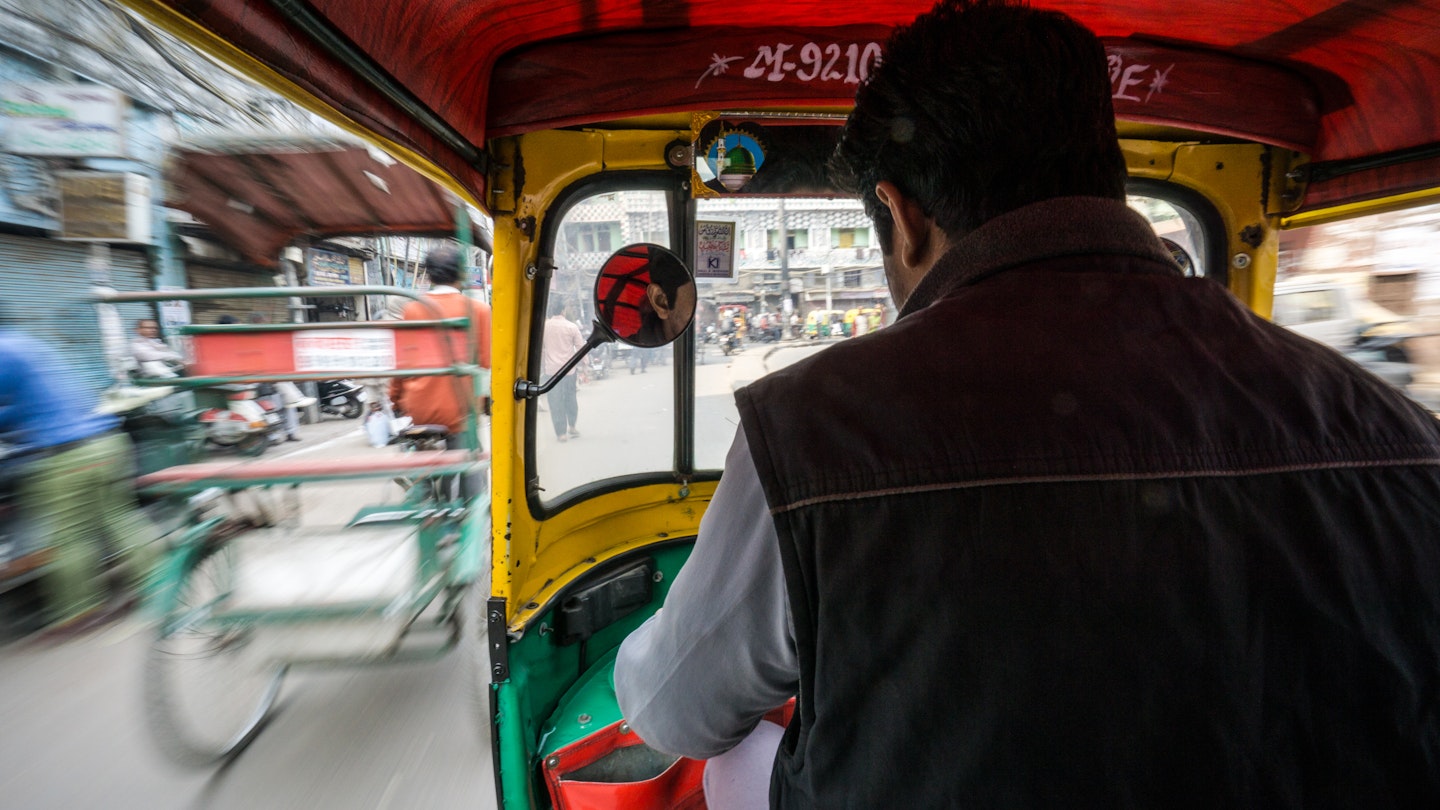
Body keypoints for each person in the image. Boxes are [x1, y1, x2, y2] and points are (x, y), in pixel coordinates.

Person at [614, 1, 1440, 808]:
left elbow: (672, 710)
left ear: (903, 218)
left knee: (730, 766)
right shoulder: (1404, 436)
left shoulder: (811, 435)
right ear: (1108, 177)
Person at [0, 319, 159, 637]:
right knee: (119, 518)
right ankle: (159, 585)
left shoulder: (4, 352)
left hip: (66, 455)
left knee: (69, 537)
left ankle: (78, 613)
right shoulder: (30, 343)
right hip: (107, 441)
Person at [389, 245, 492, 445]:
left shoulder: (412, 309)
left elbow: (401, 365)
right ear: (461, 274)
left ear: (429, 275)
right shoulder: (479, 310)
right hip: (461, 410)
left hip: (418, 409)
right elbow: (486, 363)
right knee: (472, 467)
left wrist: (395, 401)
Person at [542, 299, 586, 441]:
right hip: (568, 371)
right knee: (570, 399)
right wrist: (585, 364)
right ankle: (572, 426)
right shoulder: (571, 327)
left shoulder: (544, 327)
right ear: (563, 311)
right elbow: (581, 348)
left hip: (551, 372)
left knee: (555, 402)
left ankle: (561, 434)